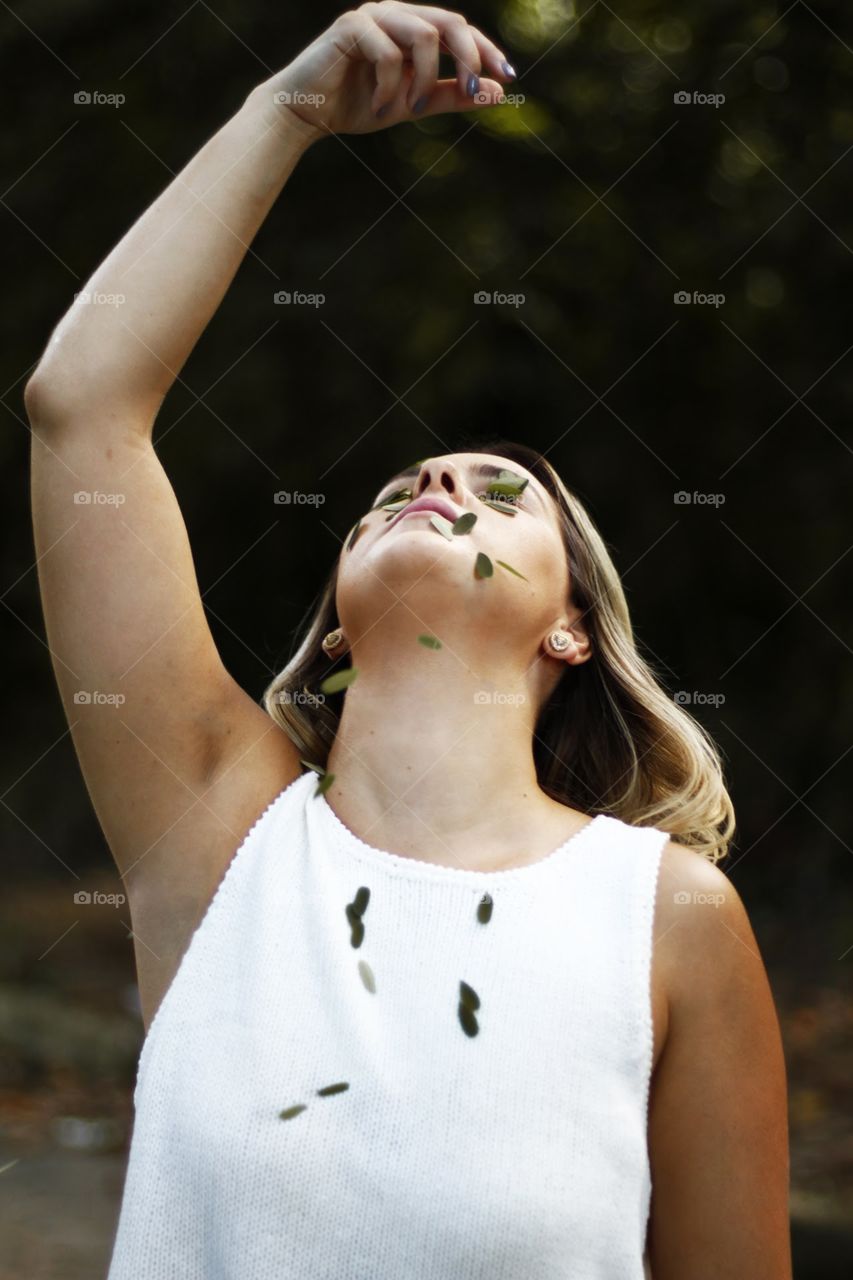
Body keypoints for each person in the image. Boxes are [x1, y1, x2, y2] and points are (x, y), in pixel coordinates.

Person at [25, 4, 792, 1276]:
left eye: (502, 497)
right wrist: (291, 111)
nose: (436, 486)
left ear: (570, 631)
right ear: (334, 627)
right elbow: (80, 407)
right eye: (398, 490)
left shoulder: (665, 917)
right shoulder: (219, 830)